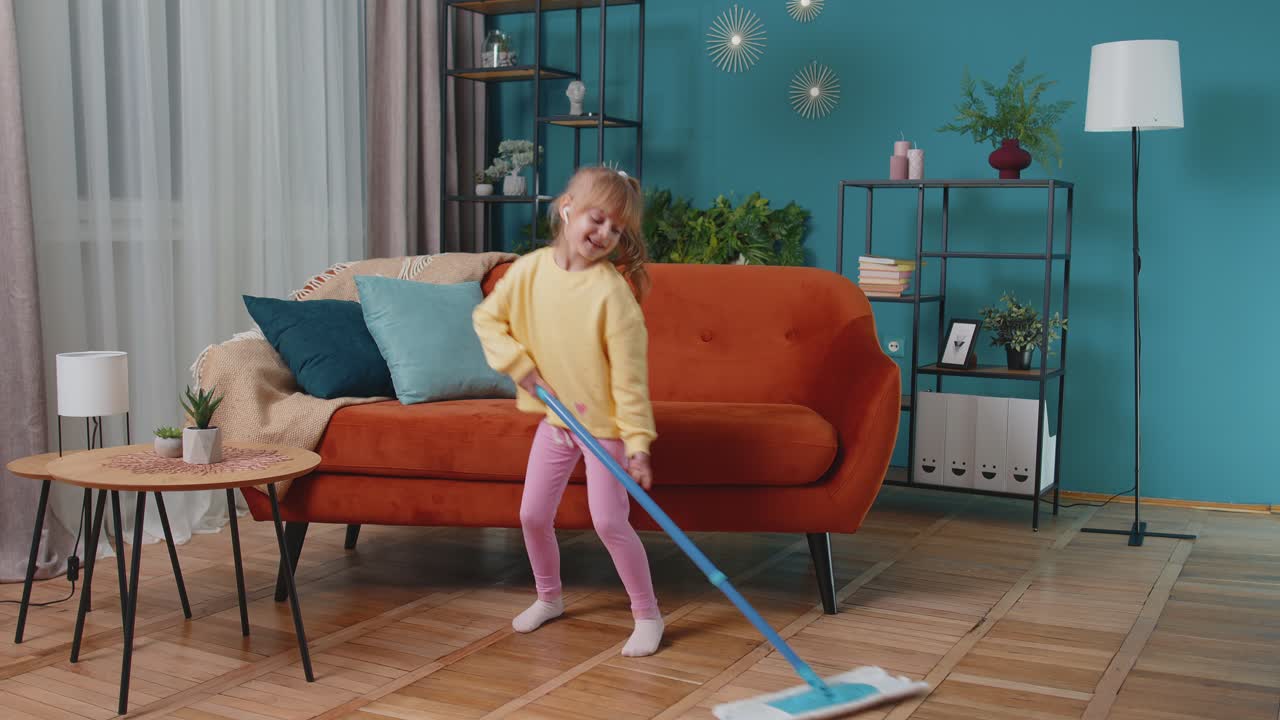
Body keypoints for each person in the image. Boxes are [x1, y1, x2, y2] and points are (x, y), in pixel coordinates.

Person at [473, 166, 662, 657]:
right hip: (558, 423)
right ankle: (548, 597)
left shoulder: (612, 295)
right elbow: (487, 318)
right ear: (567, 208)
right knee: (532, 515)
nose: (604, 235)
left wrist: (637, 445)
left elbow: (631, 380)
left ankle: (647, 615)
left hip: (603, 430)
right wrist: (518, 365)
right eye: (597, 220)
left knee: (609, 523)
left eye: (616, 230)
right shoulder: (530, 271)